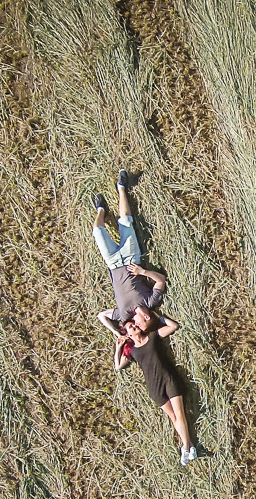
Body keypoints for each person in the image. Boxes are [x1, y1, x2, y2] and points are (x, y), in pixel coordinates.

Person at [104, 306, 198, 467]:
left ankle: (186, 447)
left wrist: (158, 318)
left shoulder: (153, 336)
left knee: (180, 414)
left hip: (169, 379)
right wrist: (118, 347)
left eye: (134, 324)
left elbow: (173, 326)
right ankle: (189, 447)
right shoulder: (132, 351)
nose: (135, 326)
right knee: (173, 417)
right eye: (131, 327)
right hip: (154, 387)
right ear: (128, 334)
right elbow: (118, 366)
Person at [92, 170, 166, 332]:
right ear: (147, 317)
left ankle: (101, 210)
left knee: (97, 230)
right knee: (125, 220)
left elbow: (101, 316)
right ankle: (121, 187)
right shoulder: (150, 302)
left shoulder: (124, 315)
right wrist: (143, 271)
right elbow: (161, 280)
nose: (136, 325)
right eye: (141, 324)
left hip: (113, 262)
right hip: (132, 257)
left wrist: (117, 332)